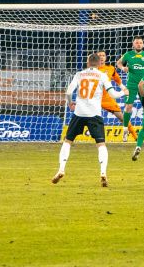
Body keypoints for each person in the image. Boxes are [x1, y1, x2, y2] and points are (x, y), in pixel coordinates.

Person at [53, 53, 114, 187]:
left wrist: (70, 103)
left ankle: (61, 169)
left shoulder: (79, 74)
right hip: (94, 114)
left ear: (88, 63)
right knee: (101, 144)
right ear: (99, 64)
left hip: (79, 113)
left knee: (68, 141)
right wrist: (124, 92)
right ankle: (103, 172)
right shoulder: (102, 75)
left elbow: (69, 92)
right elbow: (113, 94)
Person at [118, 37, 144, 142]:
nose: (139, 44)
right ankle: (125, 131)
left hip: (143, 85)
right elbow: (119, 63)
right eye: (136, 43)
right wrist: (123, 68)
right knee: (128, 107)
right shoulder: (128, 55)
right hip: (131, 85)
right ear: (133, 45)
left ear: (143, 44)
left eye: (140, 43)